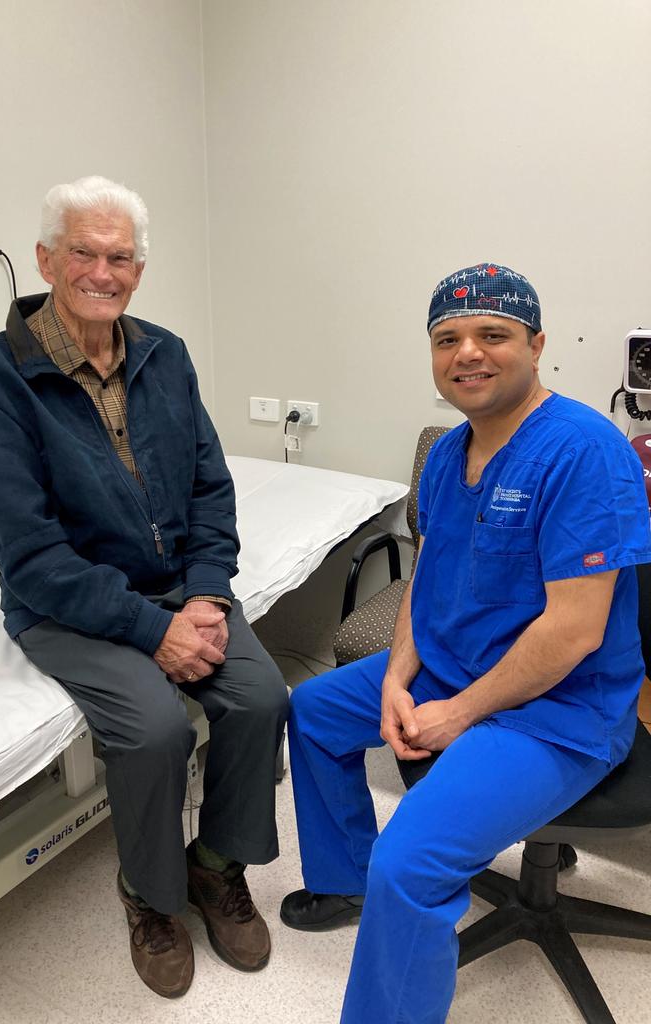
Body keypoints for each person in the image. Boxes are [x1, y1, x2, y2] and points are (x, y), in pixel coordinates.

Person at [280, 263, 651, 1023]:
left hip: (556, 710)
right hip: (449, 665)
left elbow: (575, 631)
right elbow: (427, 574)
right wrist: (398, 677)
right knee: (313, 710)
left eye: (493, 334)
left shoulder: (585, 451)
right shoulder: (451, 453)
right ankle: (346, 881)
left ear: (537, 343)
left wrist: (453, 713)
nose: (468, 353)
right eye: (447, 338)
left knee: (410, 865)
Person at [0, 176, 288, 999]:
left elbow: (211, 485)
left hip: (182, 585)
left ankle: (214, 867)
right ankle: (149, 896)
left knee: (262, 698)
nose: (103, 271)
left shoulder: (163, 353)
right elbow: (30, 555)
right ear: (45, 259)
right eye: (83, 253)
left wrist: (206, 594)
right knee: (152, 732)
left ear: (138, 269)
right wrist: (152, 632)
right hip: (66, 603)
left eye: (120, 257)